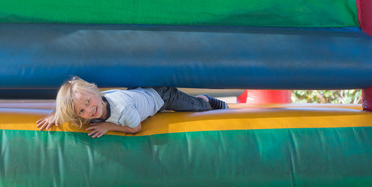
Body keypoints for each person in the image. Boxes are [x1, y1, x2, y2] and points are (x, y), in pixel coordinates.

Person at [36, 76, 229, 138]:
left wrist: (109, 126)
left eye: (88, 103)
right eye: (81, 111)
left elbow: (136, 128)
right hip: (139, 94)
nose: (89, 111)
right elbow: (71, 111)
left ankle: (207, 100)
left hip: (162, 96)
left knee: (196, 107)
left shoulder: (121, 109)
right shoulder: (91, 105)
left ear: (96, 92)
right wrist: (55, 115)